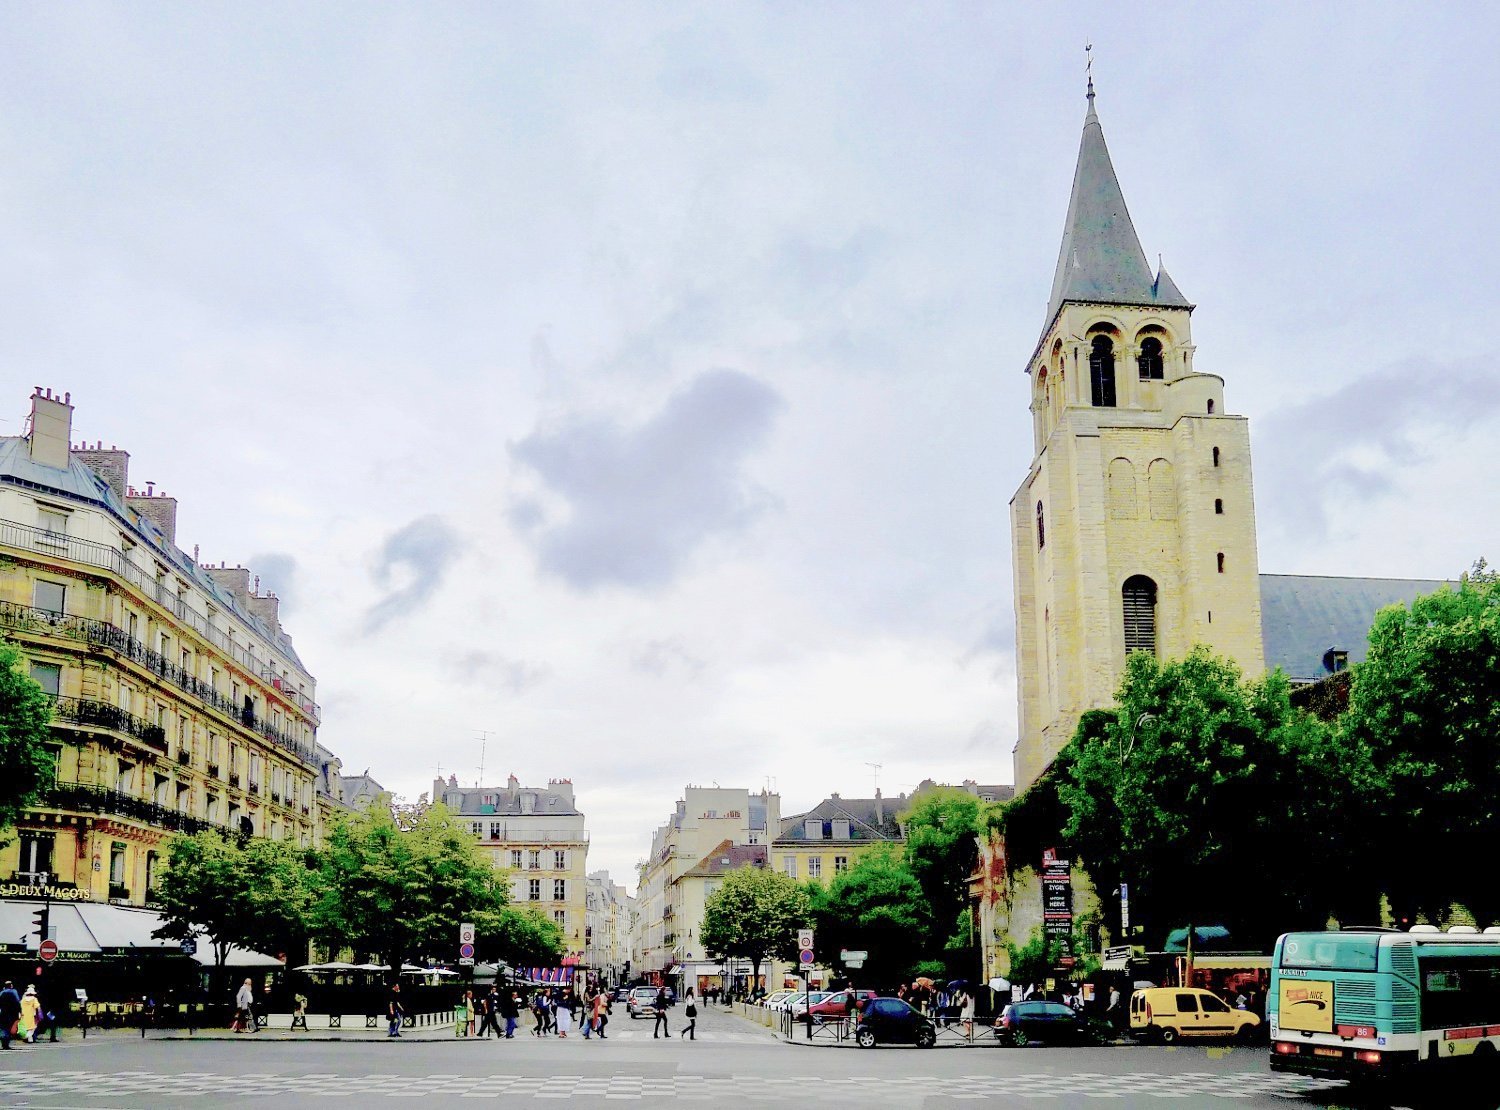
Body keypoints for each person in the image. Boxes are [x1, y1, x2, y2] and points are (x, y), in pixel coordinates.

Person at [0, 981, 19, 1050]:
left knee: (3, 1028)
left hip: (3, 1013)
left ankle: (3, 1043)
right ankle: (6, 1044)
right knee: (9, 1028)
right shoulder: (14, 992)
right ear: (10, 985)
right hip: (11, 1013)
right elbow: (17, 1002)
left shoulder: (1, 993)